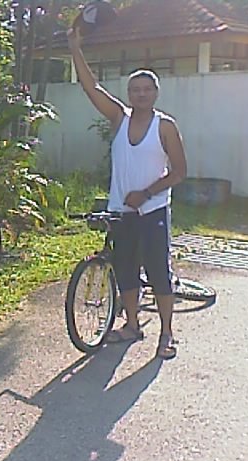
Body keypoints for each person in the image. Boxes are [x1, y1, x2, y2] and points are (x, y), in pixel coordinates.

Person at [67, 28, 187, 359]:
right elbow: (91, 87)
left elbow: (179, 172)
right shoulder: (119, 118)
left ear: (156, 93)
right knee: (125, 269)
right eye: (135, 89)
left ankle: (166, 333)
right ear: (129, 94)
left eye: (147, 89)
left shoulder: (165, 126)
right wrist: (75, 49)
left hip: (153, 211)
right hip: (122, 211)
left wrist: (146, 192)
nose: (141, 94)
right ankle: (132, 324)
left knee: (158, 272)